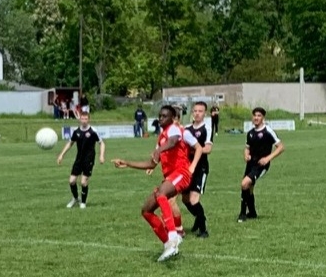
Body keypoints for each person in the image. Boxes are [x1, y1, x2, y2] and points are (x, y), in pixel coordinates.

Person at [111, 104, 191, 262]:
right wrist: (127, 163)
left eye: (164, 116)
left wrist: (159, 150)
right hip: (170, 177)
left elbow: (174, 141)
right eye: (160, 116)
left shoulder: (173, 130)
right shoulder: (161, 138)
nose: (161, 118)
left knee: (161, 193)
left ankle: (174, 235)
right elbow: (151, 164)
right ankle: (168, 245)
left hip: (182, 173)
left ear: (172, 118)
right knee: (146, 210)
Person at [56, 109, 104, 209]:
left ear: (89, 120)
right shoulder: (76, 131)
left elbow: (101, 143)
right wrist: (61, 155)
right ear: (80, 119)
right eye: (82, 119)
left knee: (83, 182)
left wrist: (101, 155)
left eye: (86, 119)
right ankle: (75, 198)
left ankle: (83, 202)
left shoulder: (93, 131)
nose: (84, 121)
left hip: (89, 159)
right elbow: (70, 143)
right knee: (72, 181)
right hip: (79, 159)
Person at [240, 107, 283, 221]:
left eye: (259, 116)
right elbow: (247, 147)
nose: (256, 118)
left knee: (244, 184)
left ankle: (242, 214)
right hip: (251, 164)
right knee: (249, 188)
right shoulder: (250, 133)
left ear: (263, 117)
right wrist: (246, 155)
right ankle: (252, 213)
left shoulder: (268, 131)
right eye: (254, 115)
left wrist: (268, 158)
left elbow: (281, 147)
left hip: (261, 165)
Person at [184, 101, 214, 237]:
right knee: (185, 199)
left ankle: (203, 230)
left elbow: (208, 148)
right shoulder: (186, 129)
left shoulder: (207, 128)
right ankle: (199, 216)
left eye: (200, 111)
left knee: (194, 199)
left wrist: (195, 149)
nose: (197, 113)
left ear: (205, 113)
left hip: (200, 168)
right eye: (195, 111)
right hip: (187, 168)